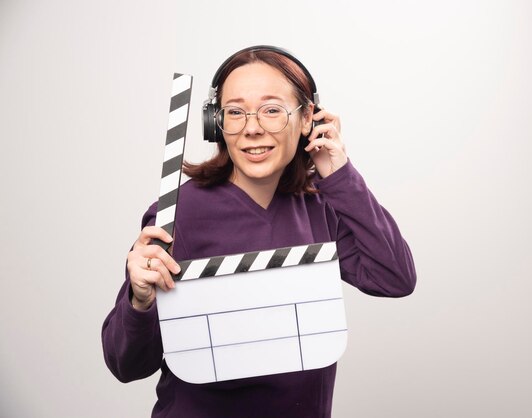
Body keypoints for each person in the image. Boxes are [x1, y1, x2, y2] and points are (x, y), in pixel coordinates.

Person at [102, 45, 416, 418]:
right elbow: (127, 365)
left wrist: (341, 174)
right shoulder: (175, 216)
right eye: (235, 112)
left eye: (272, 110)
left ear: (307, 120)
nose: (252, 128)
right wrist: (140, 302)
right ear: (216, 124)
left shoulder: (322, 206)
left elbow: (395, 278)